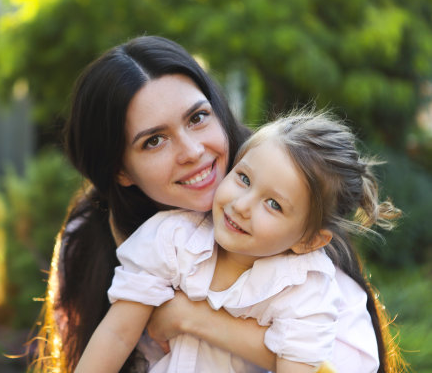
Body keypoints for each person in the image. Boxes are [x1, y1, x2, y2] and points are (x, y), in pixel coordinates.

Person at [32, 36, 403, 373]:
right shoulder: (126, 237)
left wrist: (189, 317)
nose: (193, 152)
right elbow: (105, 344)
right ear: (119, 170)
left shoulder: (300, 252)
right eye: (154, 141)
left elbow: (348, 364)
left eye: (197, 118)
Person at [74, 111, 401, 373]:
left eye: (273, 204)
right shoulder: (173, 237)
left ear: (309, 240)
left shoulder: (305, 288)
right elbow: (117, 333)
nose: (242, 205)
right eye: (243, 178)